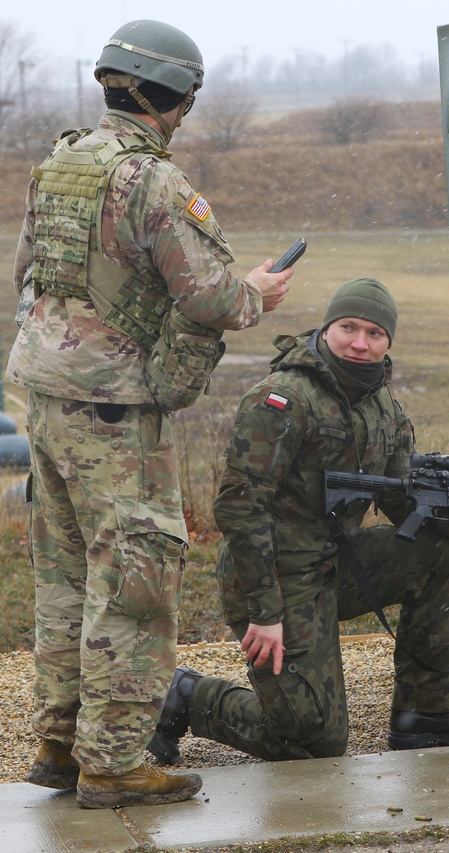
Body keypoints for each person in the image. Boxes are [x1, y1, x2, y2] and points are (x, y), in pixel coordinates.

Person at [7, 20, 294, 809]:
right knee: (135, 580)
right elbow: (207, 295)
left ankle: (60, 745)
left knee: (66, 579)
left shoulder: (59, 164)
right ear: (180, 98)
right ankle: (114, 762)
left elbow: (29, 275)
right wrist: (257, 294)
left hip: (48, 396)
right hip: (114, 414)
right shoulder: (154, 183)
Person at [148, 278, 449, 764]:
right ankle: (185, 696)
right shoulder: (280, 400)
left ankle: (424, 714)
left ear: (388, 342)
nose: (360, 343)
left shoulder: (384, 407)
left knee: (432, 555)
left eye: (375, 333)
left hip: (336, 567)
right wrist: (265, 612)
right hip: (275, 580)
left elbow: (408, 502)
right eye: (348, 327)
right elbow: (239, 509)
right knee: (312, 743)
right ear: (327, 328)